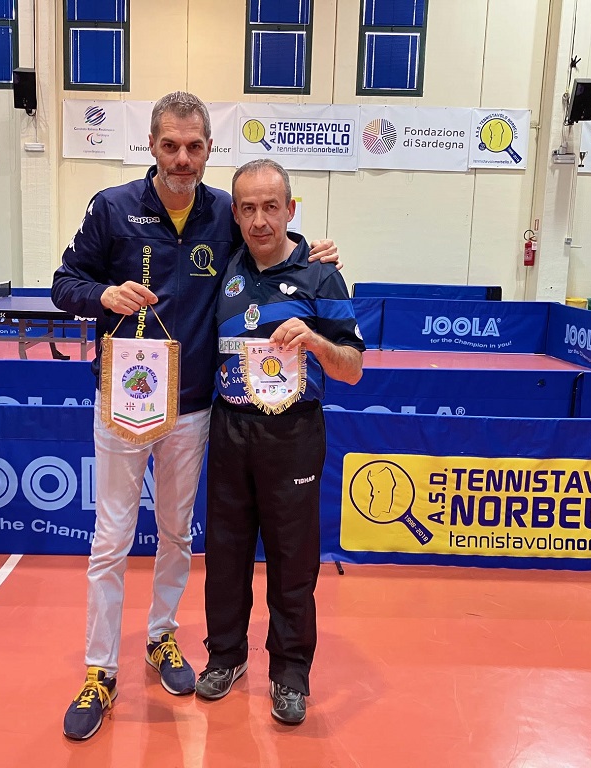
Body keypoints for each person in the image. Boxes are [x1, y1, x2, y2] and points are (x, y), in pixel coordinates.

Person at [51, 92, 338, 741]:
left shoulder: (223, 214)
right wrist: (102, 293)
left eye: (194, 146)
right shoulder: (112, 208)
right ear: (152, 146)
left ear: (209, 149)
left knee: (177, 534)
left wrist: (315, 255)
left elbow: (273, 244)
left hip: (193, 407)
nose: (182, 158)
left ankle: (161, 637)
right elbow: (63, 283)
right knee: (111, 538)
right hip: (123, 402)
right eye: (170, 145)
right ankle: (99, 670)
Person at [195, 160, 364, 725]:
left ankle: (290, 673)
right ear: (235, 214)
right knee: (225, 553)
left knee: (293, 561)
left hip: (293, 433)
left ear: (291, 209)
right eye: (247, 208)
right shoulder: (225, 265)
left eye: (271, 207)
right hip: (229, 427)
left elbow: (353, 369)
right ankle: (226, 656)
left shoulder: (321, 276)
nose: (260, 220)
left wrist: (315, 340)